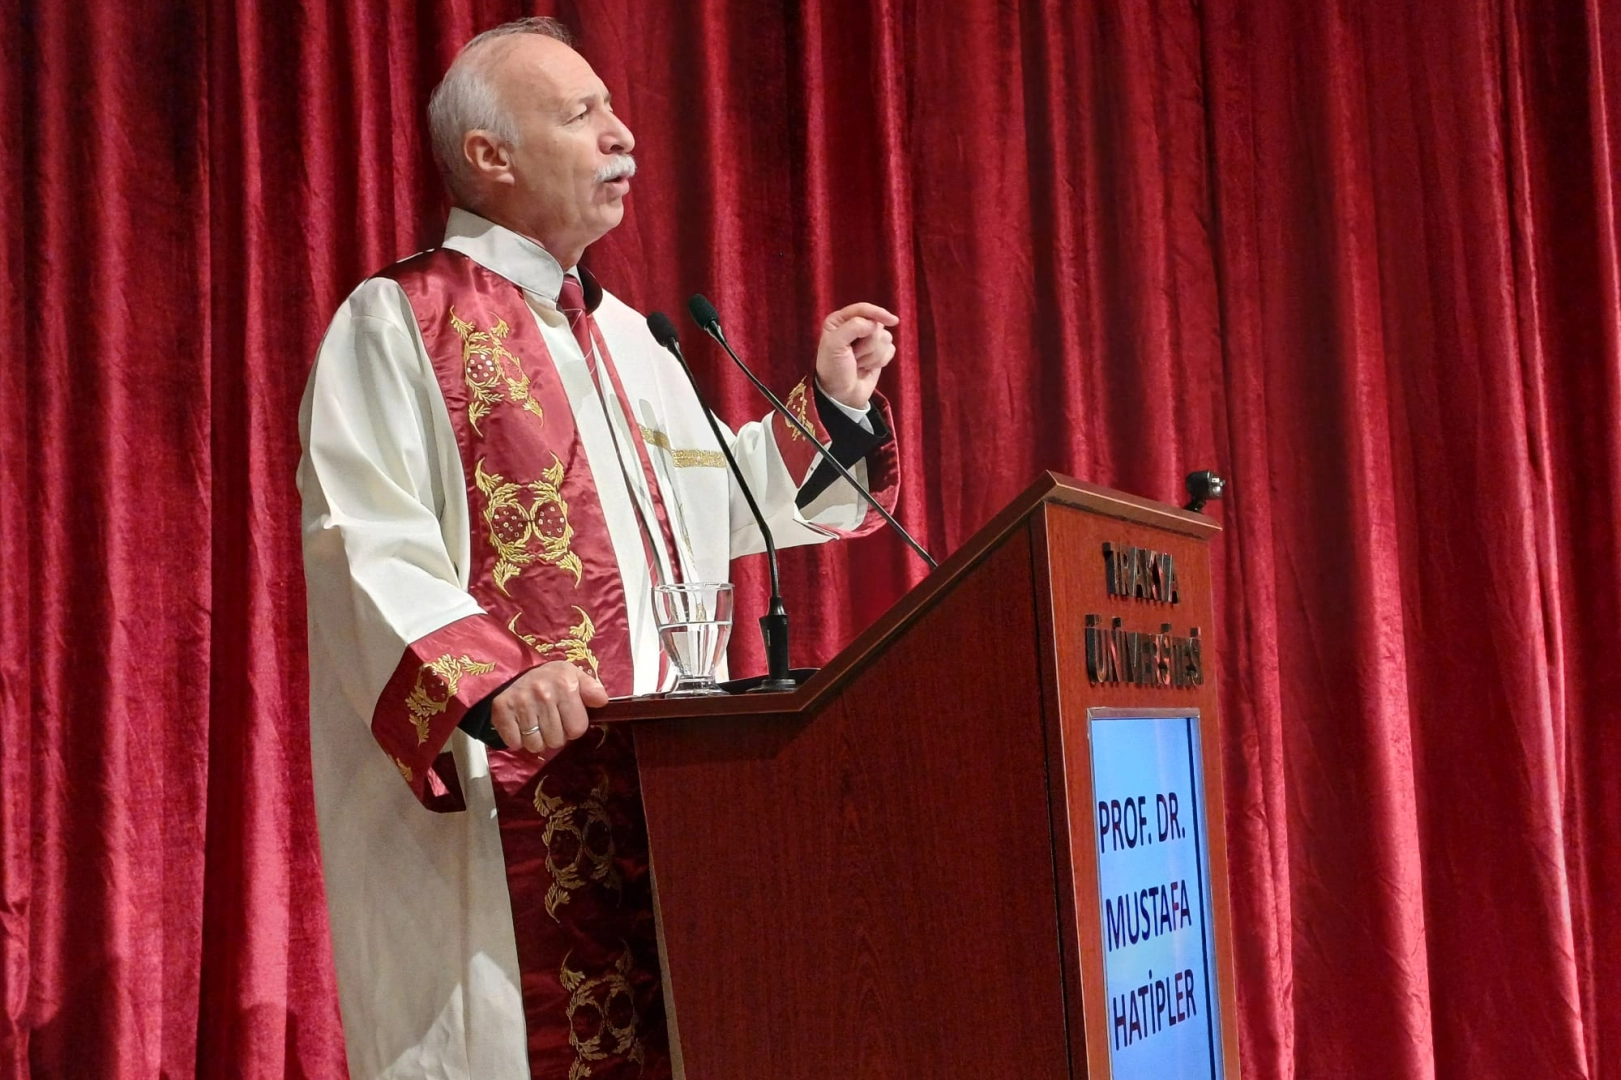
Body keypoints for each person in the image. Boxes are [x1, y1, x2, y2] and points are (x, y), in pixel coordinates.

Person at [297, 16, 902, 1080]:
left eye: (615, 111)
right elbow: (362, 537)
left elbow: (725, 506)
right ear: (489, 155)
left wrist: (836, 410)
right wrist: (496, 679)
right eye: (582, 115)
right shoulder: (401, 321)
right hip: (509, 810)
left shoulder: (635, 337)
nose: (622, 136)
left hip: (664, 805)